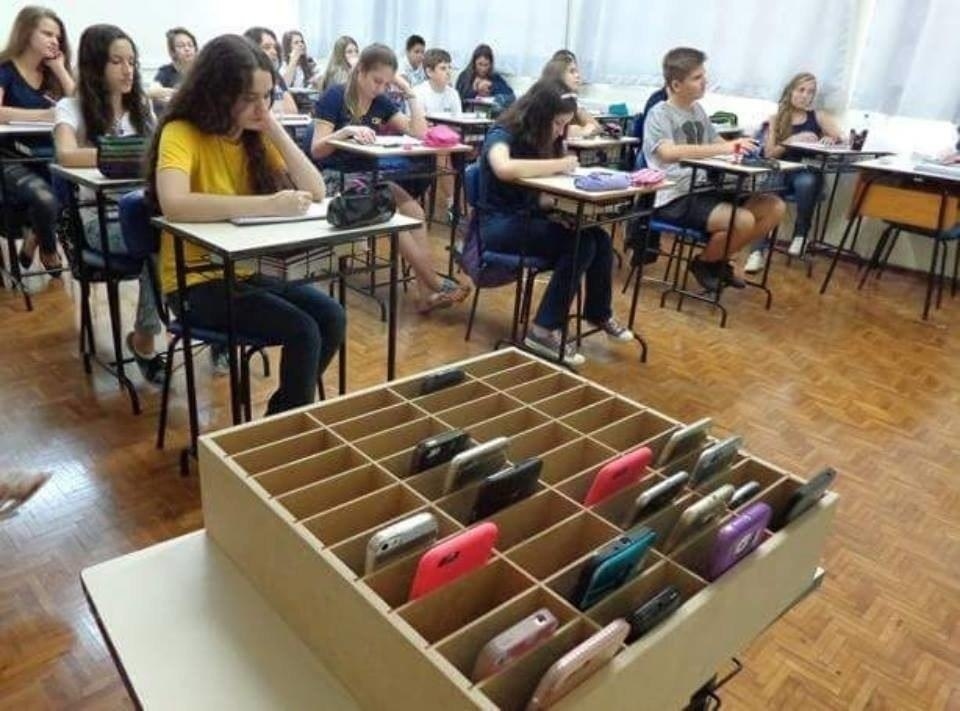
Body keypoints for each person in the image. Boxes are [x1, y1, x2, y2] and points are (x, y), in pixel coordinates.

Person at [147, 34, 346, 415]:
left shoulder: (255, 134)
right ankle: (283, 428)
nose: (261, 107)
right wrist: (268, 205)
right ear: (217, 94)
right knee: (303, 330)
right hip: (194, 282)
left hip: (243, 270)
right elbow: (174, 203)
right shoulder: (181, 131)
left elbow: (317, 190)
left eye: (267, 96)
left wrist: (273, 127)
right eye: (249, 98)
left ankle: (279, 419)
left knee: (331, 316)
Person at [479, 80, 633, 366]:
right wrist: (560, 164)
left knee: (598, 238)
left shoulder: (543, 139)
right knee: (581, 245)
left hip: (529, 218)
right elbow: (504, 168)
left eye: (565, 124)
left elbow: (538, 197)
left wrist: (561, 211)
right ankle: (542, 330)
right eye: (557, 123)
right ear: (539, 115)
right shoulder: (503, 133)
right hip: (498, 225)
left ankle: (598, 312)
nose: (561, 131)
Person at [311, 43, 470, 314]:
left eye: (386, 83)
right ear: (360, 71)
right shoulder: (335, 96)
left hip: (370, 176)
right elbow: (317, 149)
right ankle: (434, 282)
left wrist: (409, 92)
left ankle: (425, 295)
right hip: (335, 177)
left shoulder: (381, 101)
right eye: (377, 81)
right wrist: (345, 132)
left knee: (415, 212)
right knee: (391, 215)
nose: (381, 88)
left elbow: (419, 133)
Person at [53, 23, 164, 382]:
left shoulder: (141, 108)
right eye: (117, 61)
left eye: (132, 61)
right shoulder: (71, 107)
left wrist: (124, 155)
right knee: (158, 245)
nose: (127, 70)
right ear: (95, 65)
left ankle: (201, 325)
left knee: (177, 238)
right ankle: (146, 338)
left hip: (143, 209)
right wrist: (127, 155)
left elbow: (161, 155)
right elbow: (66, 155)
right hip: (98, 217)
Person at [643, 47, 785, 292]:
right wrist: (723, 148)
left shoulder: (697, 111)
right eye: (697, 77)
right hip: (676, 195)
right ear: (676, 85)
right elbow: (667, 152)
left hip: (706, 187)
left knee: (774, 207)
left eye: (703, 75)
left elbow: (717, 142)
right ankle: (706, 262)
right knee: (743, 220)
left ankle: (716, 260)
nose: (704, 81)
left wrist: (739, 147)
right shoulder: (660, 114)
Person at [0, 5, 74, 274]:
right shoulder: (5, 69)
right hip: (11, 158)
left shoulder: (53, 73)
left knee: (73, 191)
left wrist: (61, 69)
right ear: (27, 33)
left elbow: (80, 108)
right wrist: (44, 115)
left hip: (49, 156)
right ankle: (48, 247)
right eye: (47, 34)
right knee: (45, 198)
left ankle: (34, 235)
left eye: (57, 37)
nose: (54, 41)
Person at [744, 72, 842, 269]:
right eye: (801, 90)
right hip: (781, 169)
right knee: (769, 186)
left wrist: (831, 139)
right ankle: (756, 252)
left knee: (806, 182)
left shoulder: (818, 116)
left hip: (807, 170)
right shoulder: (776, 119)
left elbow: (842, 139)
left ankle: (800, 235)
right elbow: (769, 154)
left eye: (810, 92)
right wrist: (791, 140)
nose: (805, 96)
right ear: (790, 91)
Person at [540, 55, 600, 138]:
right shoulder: (546, 99)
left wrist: (581, 130)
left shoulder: (569, 99)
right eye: (572, 72)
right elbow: (546, 130)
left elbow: (596, 127)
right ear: (557, 75)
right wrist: (580, 130)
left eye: (577, 72)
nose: (578, 76)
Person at [243, 27, 297, 114]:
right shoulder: (244, 78)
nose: (274, 52)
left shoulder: (275, 75)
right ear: (252, 49)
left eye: (274, 47)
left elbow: (292, 110)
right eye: (267, 47)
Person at [455, 44, 515, 111]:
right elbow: (458, 99)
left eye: (486, 65)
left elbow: (510, 93)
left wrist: (491, 85)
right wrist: (475, 89)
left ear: (490, 64)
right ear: (474, 63)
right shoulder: (465, 76)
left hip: (490, 112)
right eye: (480, 64)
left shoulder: (494, 77)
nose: (483, 69)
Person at [148, 27, 197, 103]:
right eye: (181, 46)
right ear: (172, 52)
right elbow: (152, 91)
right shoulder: (166, 71)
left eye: (190, 45)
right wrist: (178, 93)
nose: (187, 49)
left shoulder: (201, 70)